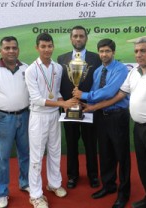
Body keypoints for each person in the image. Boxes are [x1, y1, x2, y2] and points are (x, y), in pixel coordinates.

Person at [83, 37, 146, 208]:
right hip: (139, 128)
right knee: (144, 167)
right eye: (136, 51)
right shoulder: (133, 72)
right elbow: (119, 95)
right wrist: (94, 107)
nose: (139, 54)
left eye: (143, 51)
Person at [73, 38, 131, 208]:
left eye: (107, 51)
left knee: (122, 156)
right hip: (100, 116)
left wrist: (83, 95)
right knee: (105, 154)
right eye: (101, 51)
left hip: (117, 116)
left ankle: (124, 193)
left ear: (113, 52)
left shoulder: (121, 69)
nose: (104, 54)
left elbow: (108, 92)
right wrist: (83, 102)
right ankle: (109, 185)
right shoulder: (98, 70)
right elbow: (95, 91)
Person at [25, 33, 77, 208]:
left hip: (54, 115)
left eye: (49, 46)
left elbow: (56, 92)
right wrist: (62, 102)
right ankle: (36, 195)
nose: (47, 49)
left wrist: (66, 104)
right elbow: (37, 99)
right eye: (43, 46)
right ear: (37, 48)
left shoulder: (58, 68)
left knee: (55, 151)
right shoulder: (31, 70)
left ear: (53, 47)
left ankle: (54, 184)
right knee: (37, 156)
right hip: (38, 116)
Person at [0, 36, 30, 208]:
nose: (11, 51)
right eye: (7, 48)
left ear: (18, 50)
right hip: (3, 119)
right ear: (0, 51)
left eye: (14, 48)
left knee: (26, 154)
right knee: (2, 157)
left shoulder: (26, 68)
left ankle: (25, 183)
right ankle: (1, 192)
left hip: (25, 116)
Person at [57, 25, 101, 189]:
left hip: (89, 107)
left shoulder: (96, 58)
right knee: (71, 143)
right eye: (75, 36)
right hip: (69, 109)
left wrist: (90, 102)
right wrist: (65, 103)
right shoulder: (61, 59)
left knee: (90, 143)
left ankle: (93, 175)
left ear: (86, 38)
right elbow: (59, 84)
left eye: (81, 36)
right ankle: (72, 175)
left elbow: (98, 83)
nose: (78, 39)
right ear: (71, 38)